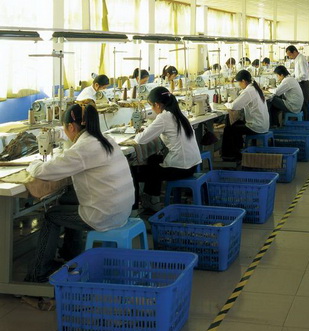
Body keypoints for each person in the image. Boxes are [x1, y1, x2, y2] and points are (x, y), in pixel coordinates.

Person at [25, 103, 135, 282]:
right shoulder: (105, 140)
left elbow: (43, 171)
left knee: (51, 215)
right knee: (67, 200)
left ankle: (39, 272)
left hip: (104, 215)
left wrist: (33, 163)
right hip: (122, 210)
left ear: (71, 127)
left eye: (65, 128)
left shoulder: (83, 149)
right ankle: (70, 254)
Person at [133, 86, 201, 211]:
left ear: (157, 104)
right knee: (154, 159)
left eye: (151, 105)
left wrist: (139, 132)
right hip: (192, 165)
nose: (152, 109)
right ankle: (153, 199)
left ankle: (145, 205)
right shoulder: (180, 113)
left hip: (180, 168)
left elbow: (140, 139)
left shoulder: (164, 117)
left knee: (135, 172)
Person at [220, 70, 270, 161]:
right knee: (236, 124)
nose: (239, 85)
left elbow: (234, 106)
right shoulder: (255, 88)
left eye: (239, 83)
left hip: (256, 126)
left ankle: (229, 156)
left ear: (243, 81)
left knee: (229, 129)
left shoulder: (248, 91)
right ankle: (236, 151)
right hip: (263, 124)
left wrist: (227, 104)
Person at [286, 45, 309, 120]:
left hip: (303, 83)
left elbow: (303, 74)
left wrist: (294, 80)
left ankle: (305, 121)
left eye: (290, 55)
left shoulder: (301, 59)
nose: (290, 57)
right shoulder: (298, 59)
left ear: (294, 52)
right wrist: (290, 76)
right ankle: (302, 120)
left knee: (303, 103)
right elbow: (297, 72)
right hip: (301, 83)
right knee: (301, 103)